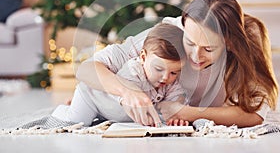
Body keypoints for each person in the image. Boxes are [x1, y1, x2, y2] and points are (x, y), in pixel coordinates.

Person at [76, 0, 279, 127]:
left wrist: (188, 113)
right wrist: (125, 90)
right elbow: (86, 69)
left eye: (208, 49)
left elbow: (255, 115)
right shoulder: (169, 35)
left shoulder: (248, 40)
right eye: (189, 43)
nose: (195, 56)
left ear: (229, 43)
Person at [52, 23, 188, 126]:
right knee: (77, 121)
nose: (165, 77)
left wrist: (176, 118)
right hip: (92, 97)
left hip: (111, 113)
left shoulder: (172, 83)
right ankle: (63, 110)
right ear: (143, 57)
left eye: (174, 72)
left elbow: (173, 106)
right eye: (158, 69)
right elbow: (122, 94)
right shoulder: (134, 70)